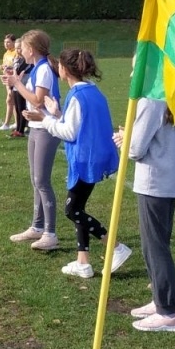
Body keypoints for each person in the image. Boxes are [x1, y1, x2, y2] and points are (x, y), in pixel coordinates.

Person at [29, 48, 130, 279]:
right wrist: (57, 113)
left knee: (72, 210)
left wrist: (45, 119)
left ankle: (114, 245)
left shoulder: (77, 95)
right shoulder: (93, 92)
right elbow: (81, 123)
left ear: (64, 70)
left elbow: (69, 132)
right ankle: (83, 262)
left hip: (86, 159)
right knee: (79, 208)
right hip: (94, 155)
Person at [114, 83, 175, 333]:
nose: (131, 75)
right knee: (157, 244)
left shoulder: (152, 99)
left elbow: (136, 149)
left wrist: (126, 138)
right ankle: (159, 299)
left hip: (154, 183)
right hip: (170, 180)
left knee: (155, 247)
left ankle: (168, 312)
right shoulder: (174, 94)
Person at [3, 30, 61, 250]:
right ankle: (37, 227)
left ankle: (50, 233)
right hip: (36, 127)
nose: (20, 50)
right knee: (35, 179)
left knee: (42, 181)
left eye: (23, 47)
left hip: (46, 128)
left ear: (32, 49)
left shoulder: (44, 69)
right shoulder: (38, 68)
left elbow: (38, 100)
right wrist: (15, 81)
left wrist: (17, 84)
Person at [8, 39, 30, 139]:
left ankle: (22, 129)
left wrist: (14, 72)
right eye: (16, 48)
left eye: (20, 48)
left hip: (24, 87)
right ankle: (18, 128)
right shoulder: (16, 59)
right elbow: (14, 71)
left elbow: (21, 71)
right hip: (17, 87)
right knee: (17, 108)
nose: (18, 50)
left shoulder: (27, 60)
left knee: (22, 108)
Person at [0, 34, 18, 130]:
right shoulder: (6, 54)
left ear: (14, 42)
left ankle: (6, 124)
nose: (6, 44)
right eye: (5, 42)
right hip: (7, 79)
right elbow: (5, 65)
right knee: (12, 100)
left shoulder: (16, 52)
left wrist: (8, 68)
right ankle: (17, 122)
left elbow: (16, 66)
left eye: (8, 42)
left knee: (10, 99)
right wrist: (2, 66)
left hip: (13, 79)